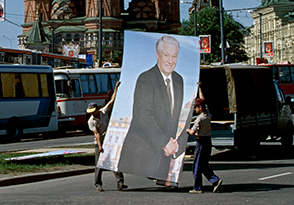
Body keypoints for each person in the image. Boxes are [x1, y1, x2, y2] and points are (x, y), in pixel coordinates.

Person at [118, 35, 188, 181]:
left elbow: (177, 118)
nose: (170, 60)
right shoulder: (145, 79)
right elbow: (143, 116)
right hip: (144, 152)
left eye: (174, 56)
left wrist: (176, 145)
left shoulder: (179, 80)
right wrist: (165, 142)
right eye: (166, 55)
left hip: (166, 154)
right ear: (157, 55)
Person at [87, 81, 127, 192]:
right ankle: (98, 184)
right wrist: (100, 147)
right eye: (90, 112)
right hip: (100, 143)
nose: (92, 114)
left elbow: (112, 101)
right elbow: (97, 134)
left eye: (93, 111)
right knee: (99, 165)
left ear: (97, 109)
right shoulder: (91, 121)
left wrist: (115, 89)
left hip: (110, 141)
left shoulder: (103, 112)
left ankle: (120, 182)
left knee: (115, 161)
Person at [186, 98, 223, 193]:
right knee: (204, 164)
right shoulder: (208, 115)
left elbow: (193, 132)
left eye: (196, 107)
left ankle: (198, 187)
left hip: (201, 143)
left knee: (197, 165)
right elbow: (204, 100)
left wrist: (187, 130)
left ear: (200, 107)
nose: (195, 110)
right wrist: (200, 88)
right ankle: (215, 181)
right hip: (208, 142)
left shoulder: (199, 119)